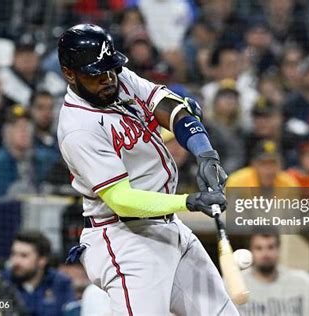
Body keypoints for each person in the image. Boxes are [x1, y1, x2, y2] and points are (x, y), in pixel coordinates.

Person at [56, 24, 238, 315]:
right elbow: (122, 201)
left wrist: (205, 154)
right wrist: (189, 201)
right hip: (124, 238)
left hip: (166, 227)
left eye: (111, 69)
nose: (108, 79)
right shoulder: (78, 128)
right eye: (96, 74)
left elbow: (170, 106)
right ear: (69, 74)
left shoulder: (117, 78)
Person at [238, 234, 309, 316]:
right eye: (259, 248)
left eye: (270, 247)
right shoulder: (236, 284)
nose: (265, 254)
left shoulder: (303, 283)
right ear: (250, 251)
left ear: (278, 249)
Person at [0, 105, 59, 197]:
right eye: (18, 126)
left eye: (27, 126)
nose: (24, 131)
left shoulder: (42, 159)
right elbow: (0, 200)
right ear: (7, 132)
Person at [2, 231, 75, 316]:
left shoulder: (61, 283)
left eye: (24, 256)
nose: (16, 261)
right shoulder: (2, 283)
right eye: (13, 254)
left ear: (42, 260)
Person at [227, 140, 298, 189]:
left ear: (281, 165)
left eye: (273, 164)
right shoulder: (237, 182)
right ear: (254, 165)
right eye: (263, 164)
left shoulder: (289, 183)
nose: (268, 170)